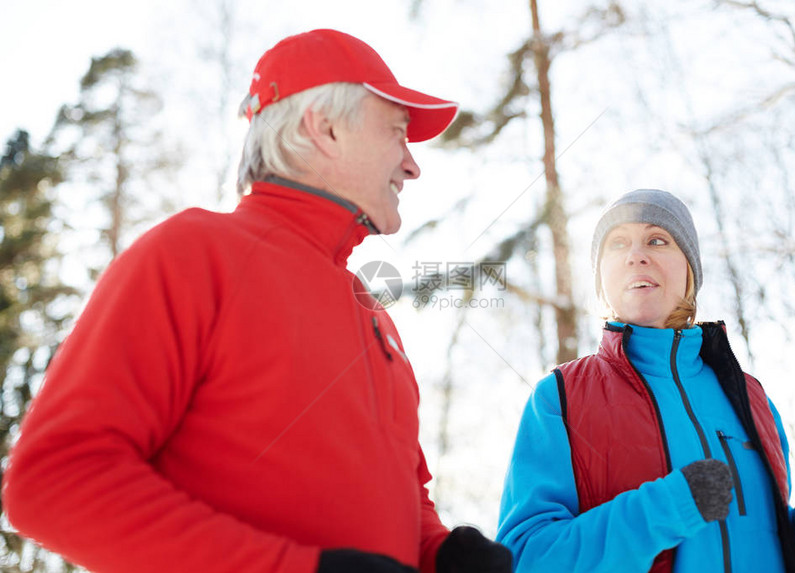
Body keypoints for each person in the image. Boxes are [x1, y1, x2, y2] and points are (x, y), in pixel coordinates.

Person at [3, 29, 512, 573]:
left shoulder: (373, 313)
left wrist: (439, 552)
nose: (412, 165)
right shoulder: (193, 254)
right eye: (396, 132)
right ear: (326, 127)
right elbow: (55, 480)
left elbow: (392, 505)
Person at [496, 189, 795, 572]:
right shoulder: (560, 397)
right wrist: (662, 511)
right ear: (602, 277)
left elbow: (757, 542)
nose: (636, 254)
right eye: (617, 244)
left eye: (657, 239)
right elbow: (526, 557)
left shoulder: (751, 395)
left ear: (689, 269)